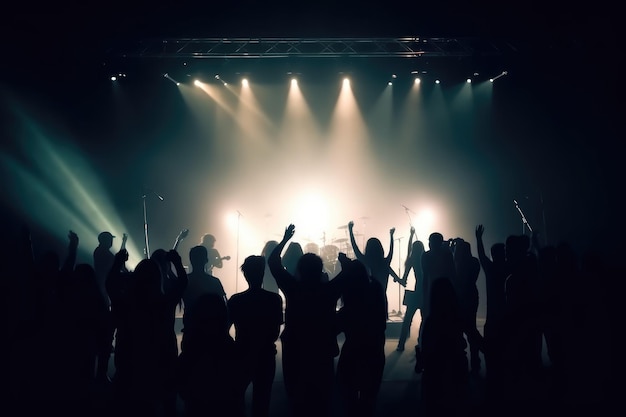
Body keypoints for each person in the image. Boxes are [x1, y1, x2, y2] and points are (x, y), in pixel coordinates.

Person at [268, 224, 345, 417]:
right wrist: (345, 262)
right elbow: (351, 272)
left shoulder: (293, 288)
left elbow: (273, 263)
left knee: (295, 393)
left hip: (295, 344)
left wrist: (285, 239)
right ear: (320, 270)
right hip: (322, 345)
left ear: (299, 270)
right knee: (323, 393)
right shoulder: (328, 291)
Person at [228, 255, 284, 417]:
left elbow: (225, 327)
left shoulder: (236, 300)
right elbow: (274, 332)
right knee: (262, 400)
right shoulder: (274, 299)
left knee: (236, 397)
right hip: (265, 355)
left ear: (245, 275)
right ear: (263, 273)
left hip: (241, 353)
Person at [335, 257, 387, 417]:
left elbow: (335, 326)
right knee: (368, 403)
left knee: (348, 401)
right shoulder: (376, 290)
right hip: (375, 353)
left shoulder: (350, 307)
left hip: (352, 354)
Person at [415, 231, 456, 373]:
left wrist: (425, 296)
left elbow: (425, 276)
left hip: (433, 293)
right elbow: (453, 274)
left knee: (427, 323)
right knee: (443, 323)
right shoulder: (447, 255)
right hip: (444, 292)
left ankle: (422, 354)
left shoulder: (425, 256)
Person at [92, 231, 127, 383]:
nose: (112, 242)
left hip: (103, 290)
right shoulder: (104, 253)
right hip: (104, 292)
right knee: (108, 330)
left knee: (107, 329)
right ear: (106, 240)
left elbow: (117, 262)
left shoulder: (99, 251)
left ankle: (102, 368)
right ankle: (101, 372)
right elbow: (118, 264)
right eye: (111, 239)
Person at [348, 220, 397, 317]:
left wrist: (350, 230)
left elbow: (355, 247)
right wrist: (391, 236)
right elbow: (391, 251)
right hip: (382, 299)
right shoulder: (385, 263)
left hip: (367, 299)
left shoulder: (365, 260)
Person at [182, 245, 227, 329]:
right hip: (210, 327)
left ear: (191, 260)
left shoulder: (185, 281)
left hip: (191, 327)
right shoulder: (214, 282)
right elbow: (223, 305)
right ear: (206, 260)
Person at [396, 226, 425, 352]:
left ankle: (401, 344)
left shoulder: (411, 259)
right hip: (426, 291)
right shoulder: (426, 258)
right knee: (425, 319)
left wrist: (411, 235)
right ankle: (421, 342)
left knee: (407, 319)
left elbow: (403, 280)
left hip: (416, 291)